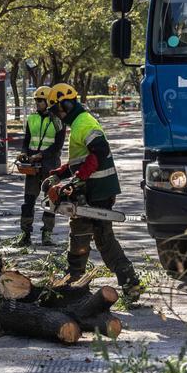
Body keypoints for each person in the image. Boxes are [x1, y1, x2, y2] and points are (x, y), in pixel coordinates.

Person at [44, 83, 141, 300]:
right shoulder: (79, 123)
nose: (57, 115)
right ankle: (79, 282)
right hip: (93, 189)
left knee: (94, 236)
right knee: (89, 235)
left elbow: (99, 152)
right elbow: (81, 159)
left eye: (57, 110)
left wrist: (76, 181)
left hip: (97, 189)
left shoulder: (84, 122)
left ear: (66, 105)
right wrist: (59, 174)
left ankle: (77, 283)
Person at [17, 86, 65, 247]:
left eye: (40, 100)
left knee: (50, 201)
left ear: (48, 101)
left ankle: (47, 235)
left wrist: (42, 155)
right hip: (33, 167)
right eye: (36, 100)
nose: (37, 103)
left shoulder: (58, 120)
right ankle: (25, 235)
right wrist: (24, 152)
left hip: (50, 166)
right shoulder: (32, 118)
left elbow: (58, 145)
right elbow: (26, 140)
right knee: (28, 201)